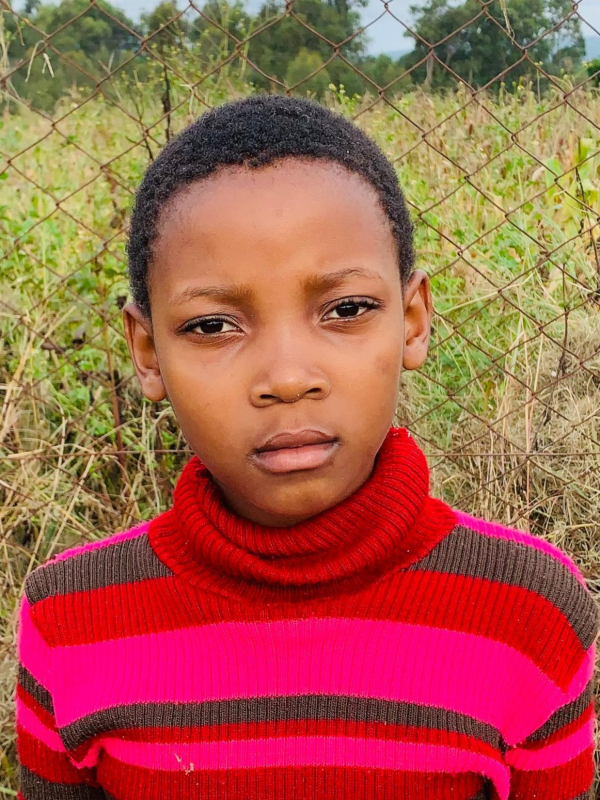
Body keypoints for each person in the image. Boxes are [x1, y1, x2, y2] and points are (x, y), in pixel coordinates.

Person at [14, 95, 597, 800]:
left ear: (413, 321)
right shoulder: (71, 620)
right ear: (147, 351)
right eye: (212, 326)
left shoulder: (530, 613)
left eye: (346, 310)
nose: (288, 378)